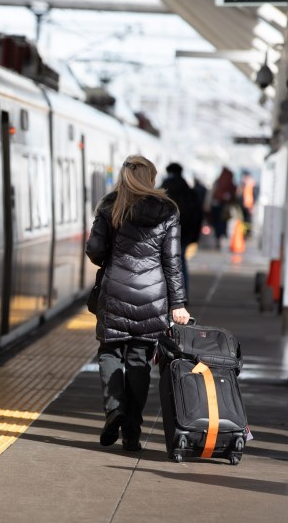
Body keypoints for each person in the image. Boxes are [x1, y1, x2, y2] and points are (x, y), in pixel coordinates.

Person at [86, 154, 190, 452]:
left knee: (109, 352)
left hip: (115, 291)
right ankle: (132, 433)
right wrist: (178, 303)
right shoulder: (167, 210)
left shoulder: (110, 204)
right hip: (152, 297)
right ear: (151, 178)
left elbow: (94, 250)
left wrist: (108, 257)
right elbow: (172, 261)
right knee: (139, 361)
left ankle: (114, 409)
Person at [159, 162, 203, 299]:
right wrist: (195, 236)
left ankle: (165, 296)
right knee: (181, 262)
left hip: (165, 233)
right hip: (185, 234)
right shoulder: (189, 192)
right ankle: (182, 296)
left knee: (164, 264)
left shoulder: (162, 191)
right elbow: (197, 215)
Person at [208, 167, 236, 248]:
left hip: (217, 207)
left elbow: (211, 194)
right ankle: (219, 239)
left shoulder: (218, 181)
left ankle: (217, 240)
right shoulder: (230, 184)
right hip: (223, 208)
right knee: (221, 224)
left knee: (217, 224)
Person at [237, 170, 257, 238]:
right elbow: (239, 195)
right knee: (244, 220)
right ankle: (244, 233)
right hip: (243, 206)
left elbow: (254, 195)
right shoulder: (242, 184)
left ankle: (247, 233)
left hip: (249, 206)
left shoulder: (252, 184)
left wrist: (253, 205)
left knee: (248, 220)